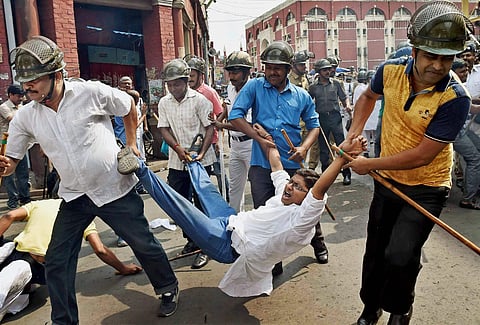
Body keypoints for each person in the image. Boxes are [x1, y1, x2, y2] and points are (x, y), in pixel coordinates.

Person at [1, 36, 179, 323]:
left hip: (114, 189)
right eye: (25, 81)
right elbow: (13, 162)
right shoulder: (26, 117)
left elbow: (128, 106)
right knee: (57, 261)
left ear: (56, 75)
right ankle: (64, 321)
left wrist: (132, 144)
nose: (28, 87)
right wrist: (4, 166)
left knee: (143, 243)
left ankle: (168, 287)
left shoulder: (90, 92)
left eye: (34, 79)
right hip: (73, 197)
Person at [342, 2, 472, 324]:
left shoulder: (456, 98)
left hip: (428, 186)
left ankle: (400, 309)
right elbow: (367, 98)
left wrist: (369, 164)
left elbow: (423, 155)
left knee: (401, 255)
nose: (439, 66)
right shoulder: (389, 71)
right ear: (414, 51)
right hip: (388, 181)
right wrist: (354, 133)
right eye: (431, 56)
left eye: (447, 58)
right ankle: (370, 308)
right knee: (375, 253)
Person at [137, 122, 366, 297]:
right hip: (231, 221)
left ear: (308, 197)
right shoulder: (282, 194)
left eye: (297, 187)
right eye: (291, 182)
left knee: (182, 208)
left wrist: (341, 158)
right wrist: (264, 137)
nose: (289, 187)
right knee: (208, 192)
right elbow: (275, 162)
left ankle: (140, 170)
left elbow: (320, 188)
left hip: (225, 244)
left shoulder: (302, 219)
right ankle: (194, 159)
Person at [229, 41, 321, 273]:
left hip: (292, 163)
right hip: (261, 162)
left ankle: (318, 243)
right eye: (268, 66)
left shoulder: (301, 95)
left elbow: (314, 126)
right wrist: (257, 138)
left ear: (289, 69)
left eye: (277, 68)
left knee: (305, 209)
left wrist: (303, 148)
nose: (272, 72)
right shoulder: (254, 87)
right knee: (267, 212)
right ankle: (273, 260)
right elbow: (235, 116)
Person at [0, 199, 142, 321]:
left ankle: (25, 286)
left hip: (15, 254)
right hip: (42, 267)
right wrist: (123, 268)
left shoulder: (40, 204)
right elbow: (100, 250)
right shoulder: (81, 216)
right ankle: (25, 287)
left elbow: (9, 216)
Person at [157, 58, 216, 270]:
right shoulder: (164, 102)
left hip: (201, 161)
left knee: (201, 204)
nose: (173, 88)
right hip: (177, 161)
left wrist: (201, 153)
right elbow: (164, 128)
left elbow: (210, 128)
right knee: (180, 204)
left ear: (186, 81)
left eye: (177, 84)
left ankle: (205, 247)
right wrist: (178, 149)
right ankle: (191, 242)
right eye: (169, 84)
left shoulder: (200, 101)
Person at [212, 51, 253, 213]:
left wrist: (221, 125)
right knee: (235, 189)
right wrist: (219, 119)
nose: (231, 76)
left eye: (235, 72)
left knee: (258, 187)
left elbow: (246, 124)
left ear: (246, 72)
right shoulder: (231, 87)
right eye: (230, 72)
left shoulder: (253, 89)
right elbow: (229, 108)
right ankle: (235, 222)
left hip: (251, 144)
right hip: (234, 145)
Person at [187, 56, 229, 200]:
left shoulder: (209, 92)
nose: (189, 79)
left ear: (200, 75)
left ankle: (226, 198)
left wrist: (218, 140)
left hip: (211, 141)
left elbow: (220, 113)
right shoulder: (185, 93)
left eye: (192, 76)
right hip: (194, 144)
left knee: (219, 172)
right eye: (187, 76)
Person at [309, 58, 353, 185]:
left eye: (329, 69)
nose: (328, 71)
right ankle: (326, 175)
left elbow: (344, 98)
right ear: (319, 71)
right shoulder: (313, 88)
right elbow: (308, 103)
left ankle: (346, 173)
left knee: (341, 147)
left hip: (335, 118)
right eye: (325, 70)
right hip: (321, 119)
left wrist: (348, 107)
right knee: (324, 149)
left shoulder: (336, 84)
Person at [451, 59, 480, 209]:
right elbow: (472, 108)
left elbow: (469, 101)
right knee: (475, 159)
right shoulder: (452, 86)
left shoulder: (455, 85)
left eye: (466, 70)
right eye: (462, 71)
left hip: (461, 129)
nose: (465, 74)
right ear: (454, 72)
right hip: (455, 131)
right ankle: (468, 199)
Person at [0, 84, 31, 209]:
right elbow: (13, 119)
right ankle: (13, 200)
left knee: (23, 173)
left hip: (21, 145)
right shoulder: (4, 107)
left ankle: (25, 198)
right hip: (6, 147)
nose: (21, 98)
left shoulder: (22, 107)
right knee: (8, 175)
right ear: (10, 95)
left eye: (22, 96)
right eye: (18, 96)